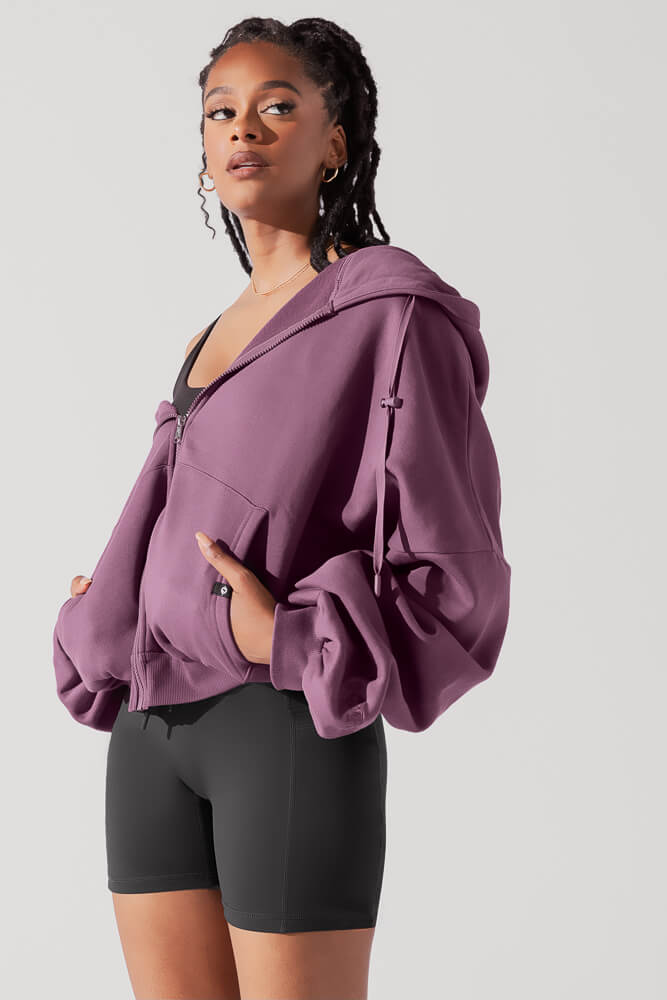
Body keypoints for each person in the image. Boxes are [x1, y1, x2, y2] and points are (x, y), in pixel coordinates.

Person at [53, 17, 511, 1000]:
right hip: (149, 732)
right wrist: (120, 595)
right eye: (219, 111)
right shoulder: (212, 332)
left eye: (276, 106)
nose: (242, 129)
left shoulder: (392, 315)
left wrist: (286, 637)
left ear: (334, 140)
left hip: (283, 725)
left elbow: (457, 575)